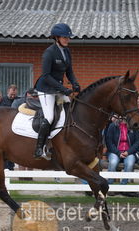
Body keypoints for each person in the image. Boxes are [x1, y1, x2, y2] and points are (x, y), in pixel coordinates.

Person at [34, 23, 80, 158]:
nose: (67, 40)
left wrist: (75, 83)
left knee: (71, 110)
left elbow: (69, 71)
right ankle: (39, 148)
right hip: (46, 89)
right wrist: (65, 90)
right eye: (65, 37)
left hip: (58, 89)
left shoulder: (66, 51)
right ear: (56, 38)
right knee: (49, 116)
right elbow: (46, 76)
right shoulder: (49, 53)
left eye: (68, 37)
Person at [105, 117, 139, 185]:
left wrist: (128, 152)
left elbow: (137, 141)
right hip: (115, 152)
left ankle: (123, 185)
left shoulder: (133, 126)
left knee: (130, 163)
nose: (123, 118)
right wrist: (118, 153)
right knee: (113, 162)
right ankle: (109, 184)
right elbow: (109, 142)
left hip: (129, 152)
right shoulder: (113, 126)